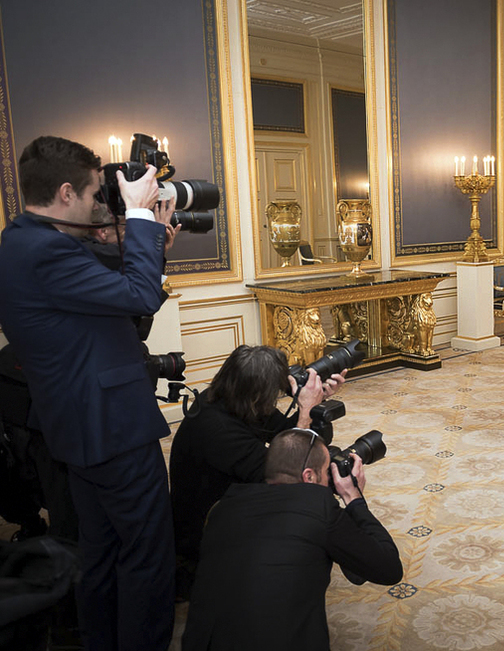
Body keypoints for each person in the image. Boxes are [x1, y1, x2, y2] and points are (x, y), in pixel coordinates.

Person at [0, 135, 179, 650]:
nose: (101, 202)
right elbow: (139, 293)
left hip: (78, 429)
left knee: (101, 552)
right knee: (147, 553)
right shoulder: (47, 250)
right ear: (64, 192)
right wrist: (141, 218)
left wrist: (149, 245)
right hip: (113, 428)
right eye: (94, 192)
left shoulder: (22, 241)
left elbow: (116, 306)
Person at [181, 428, 403, 651]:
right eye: (327, 472)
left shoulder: (222, 507)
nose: (329, 480)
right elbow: (389, 568)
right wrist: (353, 498)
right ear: (309, 476)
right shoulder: (319, 508)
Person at [169, 344, 345, 597]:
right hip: (206, 531)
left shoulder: (233, 397)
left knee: (322, 469)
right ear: (256, 393)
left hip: (229, 500)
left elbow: (283, 431)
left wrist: (319, 402)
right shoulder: (217, 428)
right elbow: (288, 469)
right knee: (308, 494)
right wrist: (304, 412)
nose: (274, 398)